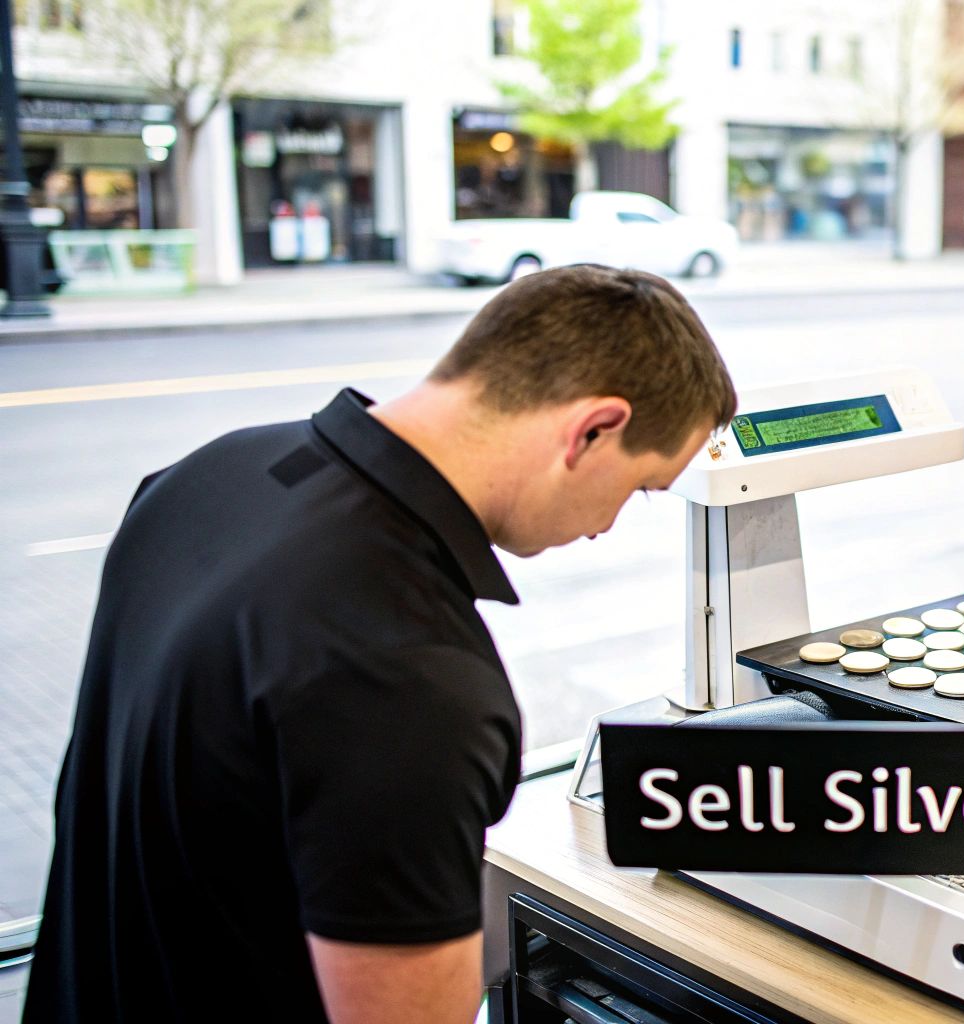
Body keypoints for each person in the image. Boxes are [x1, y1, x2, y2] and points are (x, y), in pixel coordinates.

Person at [24, 265, 737, 1022]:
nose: (608, 525)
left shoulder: (213, 472)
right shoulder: (408, 677)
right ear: (592, 429)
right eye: (641, 488)